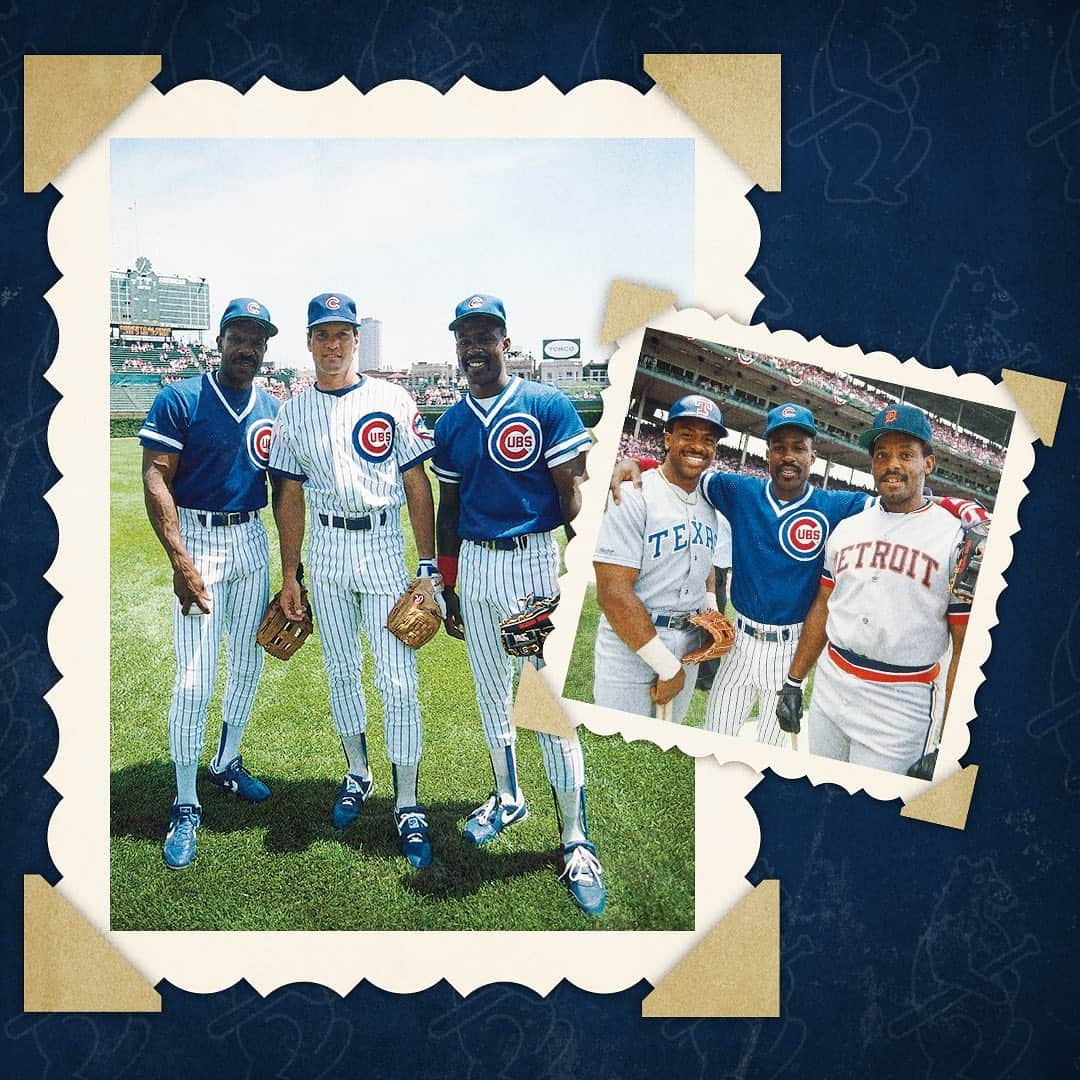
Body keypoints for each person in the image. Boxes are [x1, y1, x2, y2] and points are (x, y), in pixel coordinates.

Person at [612, 401, 985, 748]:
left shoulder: (839, 505)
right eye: (779, 447)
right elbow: (683, 471)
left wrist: (958, 506)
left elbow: (903, 495)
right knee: (716, 736)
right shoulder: (736, 489)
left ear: (813, 455)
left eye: (798, 447)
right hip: (739, 642)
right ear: (768, 453)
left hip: (791, 648)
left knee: (772, 750)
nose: (788, 456)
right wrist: (638, 463)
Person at [432, 293, 605, 916]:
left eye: (485, 335)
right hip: (474, 565)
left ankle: (574, 839)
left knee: (543, 701)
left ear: (507, 340)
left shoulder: (545, 404)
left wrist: (570, 563)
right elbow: (449, 510)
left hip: (531, 561)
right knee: (489, 692)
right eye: (464, 338)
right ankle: (508, 797)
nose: (474, 347)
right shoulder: (451, 423)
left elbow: (570, 495)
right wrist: (446, 581)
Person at [268, 293, 437, 869]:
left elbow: (418, 484)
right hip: (328, 546)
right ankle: (358, 773)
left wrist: (428, 567)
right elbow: (287, 495)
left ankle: (409, 803)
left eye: (343, 334)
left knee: (398, 680)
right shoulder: (292, 411)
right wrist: (290, 574)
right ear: (309, 342)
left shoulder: (391, 398)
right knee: (341, 671)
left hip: (386, 545)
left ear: (356, 340)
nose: (333, 344)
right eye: (323, 335)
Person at [139, 297, 280, 870]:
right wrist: (180, 559)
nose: (248, 348)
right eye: (238, 337)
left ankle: (225, 762)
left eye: (258, 340)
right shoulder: (180, 397)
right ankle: (185, 801)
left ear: (267, 349)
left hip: (251, 539)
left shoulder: (272, 405)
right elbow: (154, 476)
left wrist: (290, 572)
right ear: (219, 341)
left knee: (249, 664)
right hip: (198, 537)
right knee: (195, 678)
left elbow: (289, 487)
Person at [778, 404, 970, 774]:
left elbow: (964, 647)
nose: (891, 464)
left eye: (905, 455)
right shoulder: (849, 529)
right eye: (882, 455)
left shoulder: (954, 539)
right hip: (832, 686)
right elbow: (824, 604)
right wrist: (794, 680)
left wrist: (949, 744)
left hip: (901, 702)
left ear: (928, 464)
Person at [592, 395, 727, 724]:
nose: (698, 446)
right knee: (618, 748)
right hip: (632, 642)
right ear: (667, 439)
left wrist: (710, 609)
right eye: (687, 434)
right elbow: (613, 593)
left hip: (689, 642)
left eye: (708, 440)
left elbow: (705, 562)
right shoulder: (631, 494)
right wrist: (667, 667)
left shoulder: (711, 504)